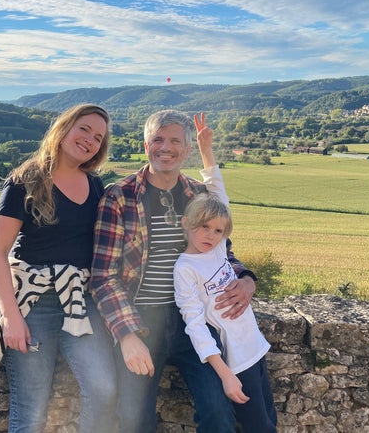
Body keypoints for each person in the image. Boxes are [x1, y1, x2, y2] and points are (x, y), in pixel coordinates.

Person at [90, 110, 257, 433]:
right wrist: (126, 334)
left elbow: (222, 254)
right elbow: (103, 276)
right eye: (158, 139)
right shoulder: (119, 197)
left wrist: (247, 279)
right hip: (139, 318)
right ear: (145, 145)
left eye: (174, 141)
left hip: (194, 320)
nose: (165, 147)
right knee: (134, 421)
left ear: (187, 149)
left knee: (219, 414)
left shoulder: (198, 194)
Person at [0, 104, 118, 433]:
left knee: (104, 390)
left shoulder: (95, 186)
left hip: (81, 303)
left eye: (98, 137)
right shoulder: (25, 181)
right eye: (84, 129)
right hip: (33, 305)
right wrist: (11, 316)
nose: (90, 140)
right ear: (64, 127)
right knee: (32, 411)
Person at [174, 191, 277, 432]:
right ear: (186, 223)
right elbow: (196, 326)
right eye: (204, 226)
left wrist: (207, 154)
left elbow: (220, 195)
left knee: (269, 420)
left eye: (218, 230)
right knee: (258, 427)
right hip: (237, 361)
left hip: (256, 348)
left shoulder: (218, 250)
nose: (210, 235)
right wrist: (226, 375)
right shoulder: (185, 268)